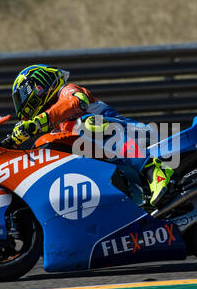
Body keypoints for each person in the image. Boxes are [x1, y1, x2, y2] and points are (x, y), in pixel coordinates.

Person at [9, 64, 173, 206]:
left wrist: (38, 122)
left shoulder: (67, 91)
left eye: (21, 96)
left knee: (87, 124)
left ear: (37, 87)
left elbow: (77, 102)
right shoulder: (57, 127)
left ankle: (153, 169)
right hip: (115, 158)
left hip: (137, 135)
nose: (22, 103)